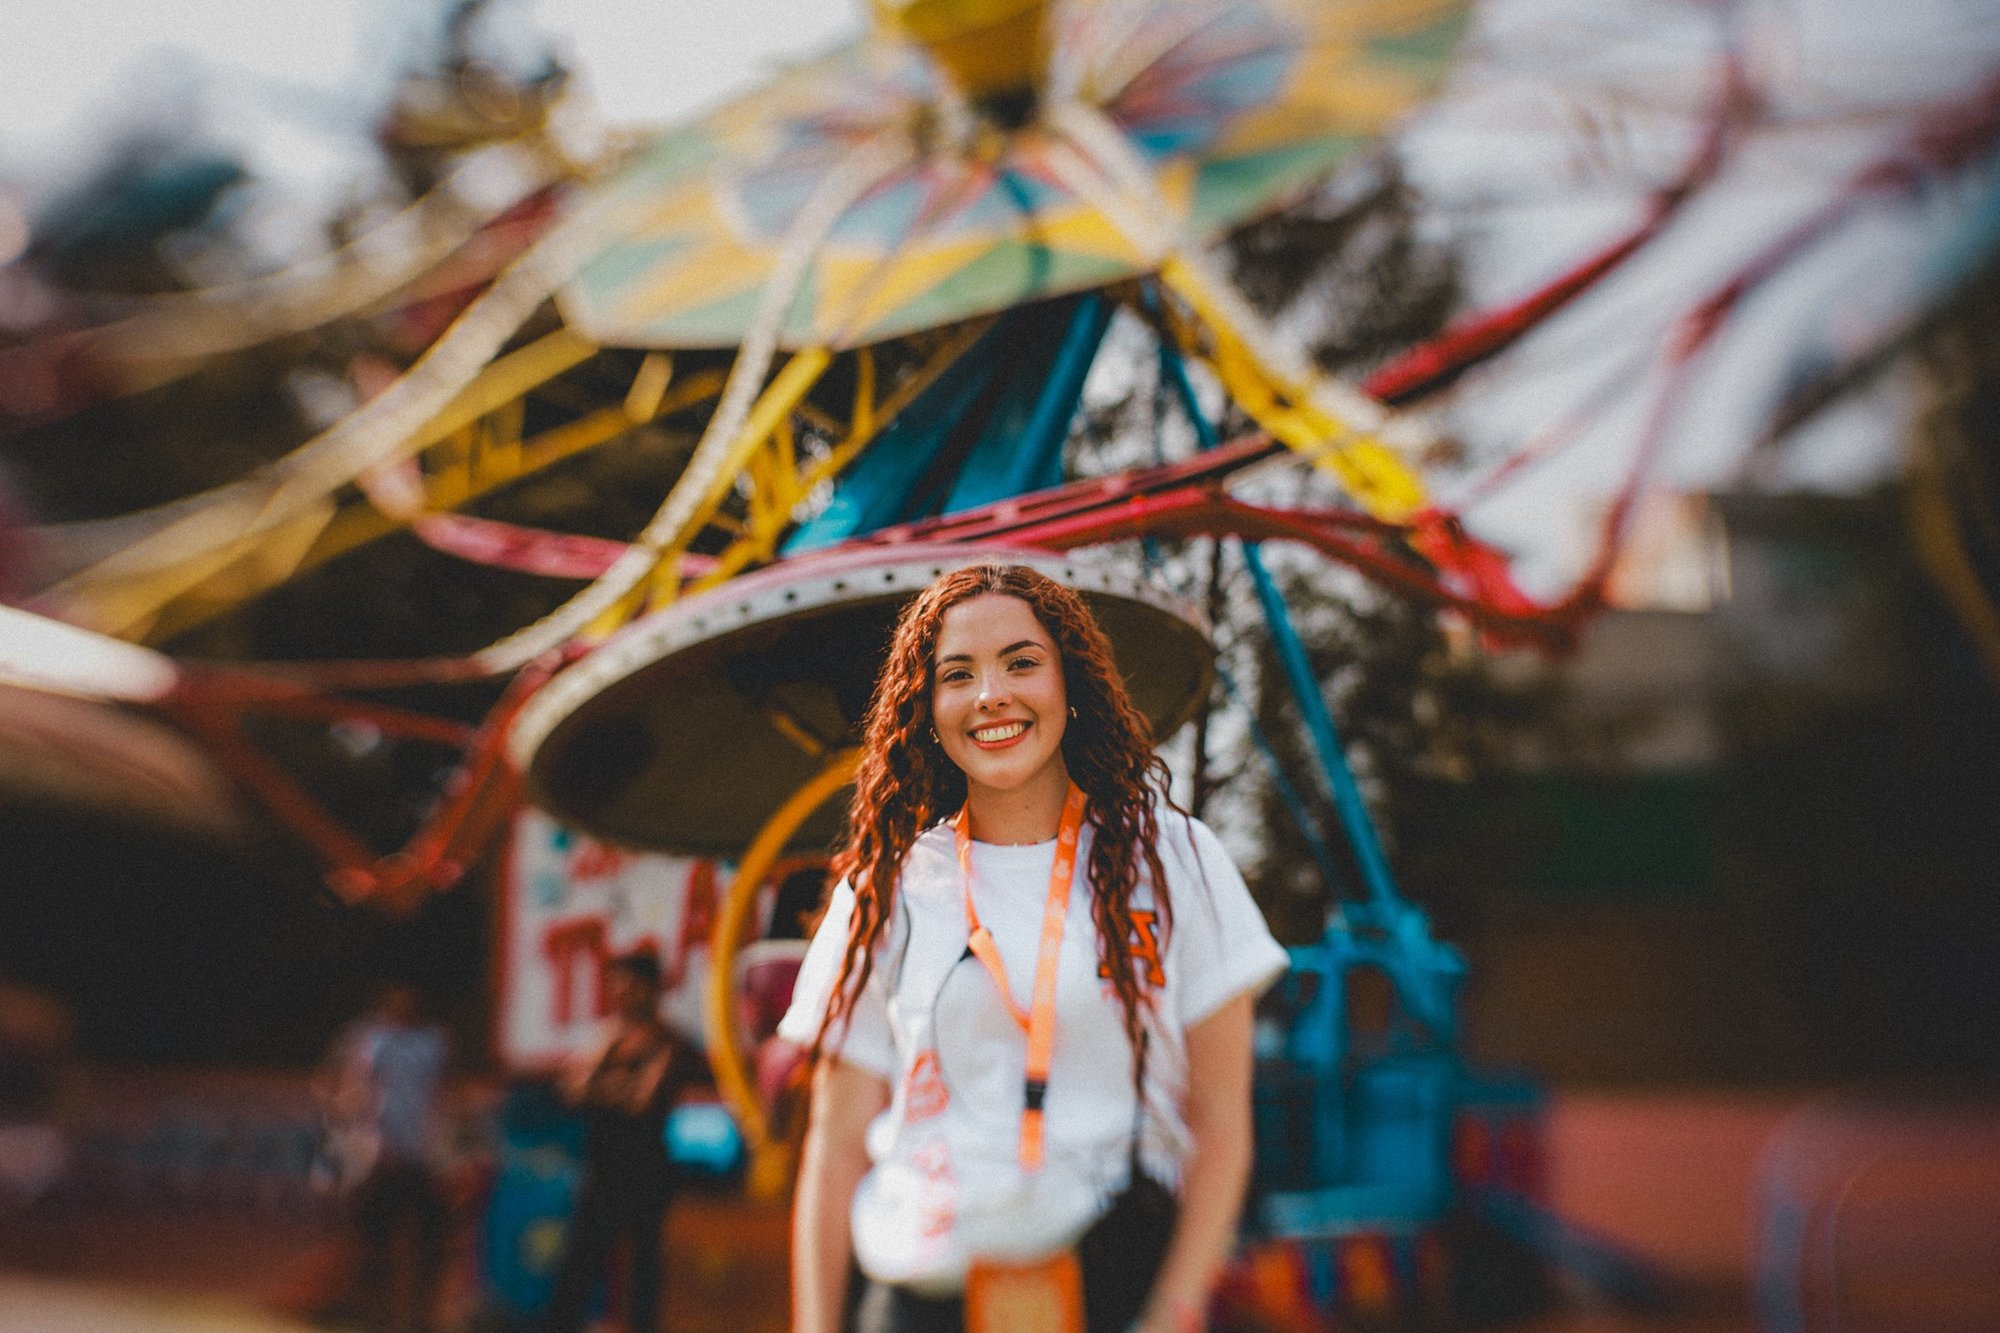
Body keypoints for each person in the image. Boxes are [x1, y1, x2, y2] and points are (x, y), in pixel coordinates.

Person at [778, 564, 1288, 1333]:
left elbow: (1221, 1126)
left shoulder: (1173, 860)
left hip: (1114, 1293)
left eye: (1021, 662)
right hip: (921, 1304)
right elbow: (837, 1144)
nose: (992, 694)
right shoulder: (888, 888)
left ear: (1069, 682)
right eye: (958, 673)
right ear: (927, 705)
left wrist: (1172, 1316)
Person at [542, 948, 694, 1333]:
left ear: (650, 989)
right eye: (617, 985)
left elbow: (644, 1101)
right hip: (602, 1174)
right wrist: (613, 1082)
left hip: (646, 1176)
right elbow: (570, 1094)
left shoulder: (669, 1042)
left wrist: (599, 1084)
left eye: (630, 985)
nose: (621, 994)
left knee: (643, 1280)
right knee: (576, 1275)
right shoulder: (607, 1038)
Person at [314, 980, 453, 1333]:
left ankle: (421, 1318)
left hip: (423, 1157)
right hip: (377, 1156)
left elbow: (445, 1092)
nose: (401, 1002)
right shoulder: (367, 1036)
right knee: (374, 1241)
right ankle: (375, 1315)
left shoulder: (434, 1040)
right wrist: (348, 1128)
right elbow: (333, 1082)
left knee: (430, 1243)